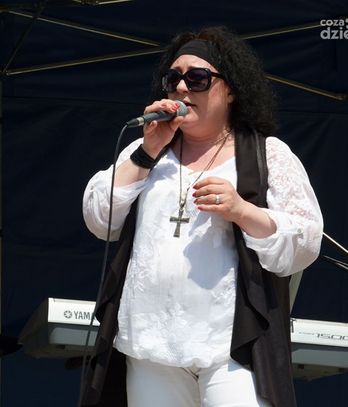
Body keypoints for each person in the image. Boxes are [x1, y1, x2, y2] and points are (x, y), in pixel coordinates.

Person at [81, 26, 323, 407]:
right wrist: (146, 152)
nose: (181, 88)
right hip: (150, 345)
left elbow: (305, 241)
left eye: (197, 78)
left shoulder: (267, 154)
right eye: (173, 79)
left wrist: (242, 211)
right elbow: (99, 218)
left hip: (230, 347)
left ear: (231, 90)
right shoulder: (146, 149)